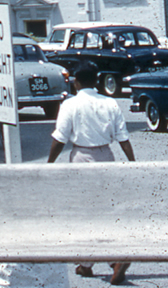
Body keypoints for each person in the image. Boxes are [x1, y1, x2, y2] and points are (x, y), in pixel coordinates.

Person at [47, 62, 134, 285]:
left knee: (85, 214)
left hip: (82, 158)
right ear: (96, 81)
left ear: (75, 82)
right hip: (106, 156)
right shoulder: (110, 103)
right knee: (106, 211)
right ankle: (113, 259)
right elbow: (123, 137)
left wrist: (49, 163)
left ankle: (86, 264)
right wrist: (133, 163)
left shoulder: (70, 104)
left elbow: (60, 138)